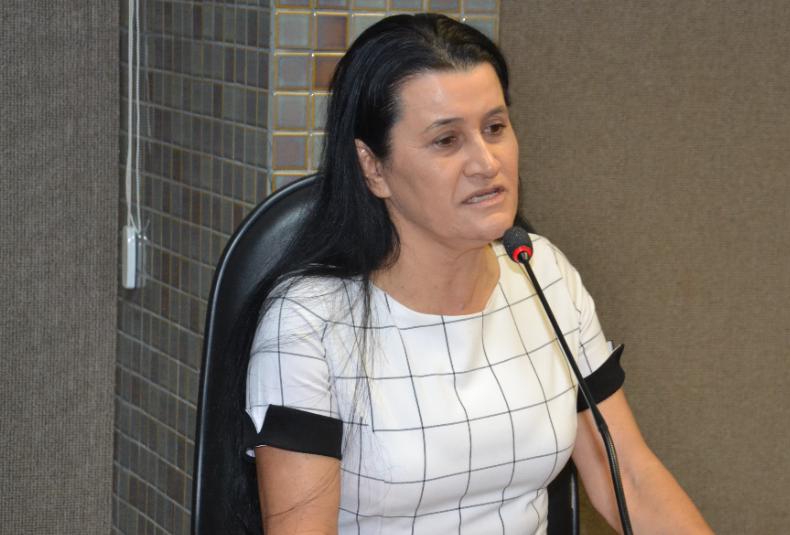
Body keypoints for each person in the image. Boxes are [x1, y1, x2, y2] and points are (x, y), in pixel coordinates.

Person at [240, 13, 713, 535]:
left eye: (495, 128)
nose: (486, 163)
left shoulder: (541, 271)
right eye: (447, 140)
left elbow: (631, 480)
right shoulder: (309, 322)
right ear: (373, 167)